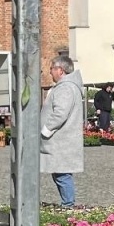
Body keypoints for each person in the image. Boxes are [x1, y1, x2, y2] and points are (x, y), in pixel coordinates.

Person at [40, 53, 85, 207]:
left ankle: (68, 205)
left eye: (52, 68)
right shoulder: (67, 87)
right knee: (60, 172)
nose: (50, 72)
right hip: (62, 139)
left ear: (61, 70)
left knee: (62, 173)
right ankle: (67, 204)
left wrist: (46, 129)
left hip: (61, 139)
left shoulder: (65, 88)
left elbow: (60, 113)